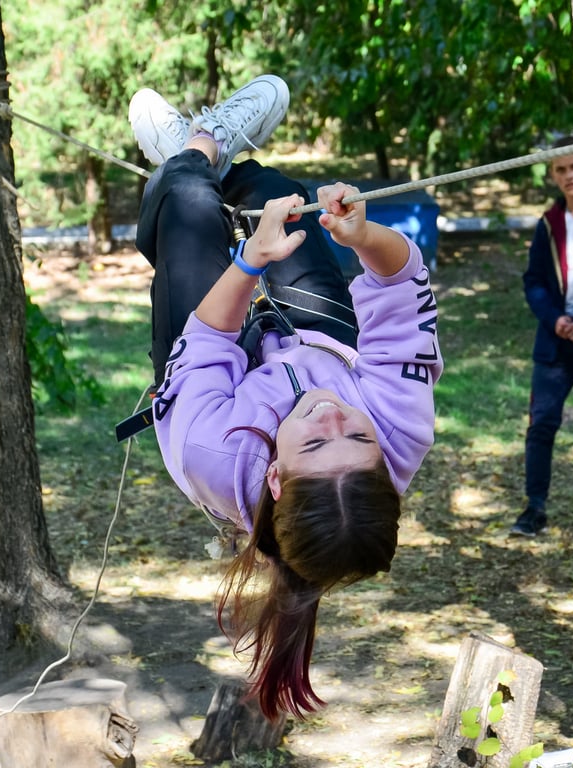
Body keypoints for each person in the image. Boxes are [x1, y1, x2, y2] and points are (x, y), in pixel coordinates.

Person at [128, 76, 443, 721]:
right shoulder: (402, 433)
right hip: (320, 343)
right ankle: (212, 156)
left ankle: (194, 151)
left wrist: (248, 265)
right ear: (384, 463)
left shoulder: (211, 454)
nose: (333, 417)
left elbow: (211, 340)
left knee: (186, 207)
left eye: (317, 443)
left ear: (274, 474)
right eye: (357, 437)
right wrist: (362, 237)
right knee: (280, 197)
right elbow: (404, 284)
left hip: (213, 368)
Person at [509, 136, 573, 537]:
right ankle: (534, 507)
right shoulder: (549, 223)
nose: (570, 176)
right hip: (555, 342)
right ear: (552, 175)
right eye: (561, 169)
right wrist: (555, 319)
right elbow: (533, 279)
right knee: (541, 424)